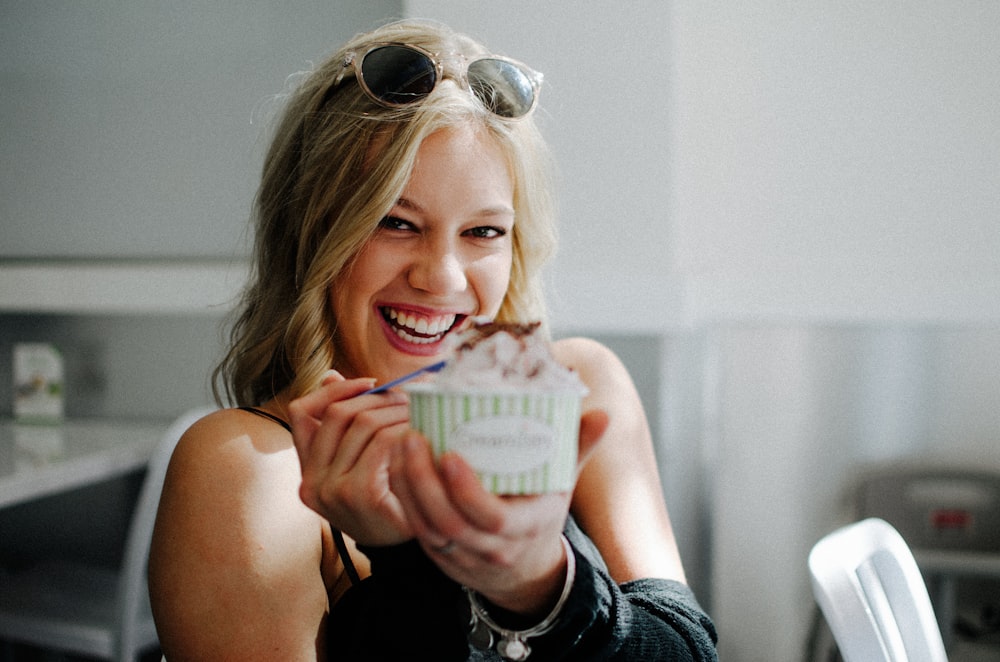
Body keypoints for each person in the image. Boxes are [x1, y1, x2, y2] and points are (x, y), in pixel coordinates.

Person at [148, 18, 717, 661]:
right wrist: (410, 562)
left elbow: (688, 652)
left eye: (483, 233)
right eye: (396, 222)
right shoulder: (249, 469)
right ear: (311, 234)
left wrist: (540, 582)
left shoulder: (581, 390)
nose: (441, 278)